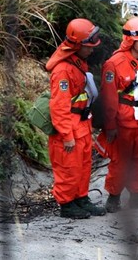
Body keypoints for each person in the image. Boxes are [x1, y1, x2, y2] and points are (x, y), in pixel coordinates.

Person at [97, 17, 138, 213]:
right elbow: (108, 98)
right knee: (120, 160)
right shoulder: (114, 64)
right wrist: (110, 126)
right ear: (130, 41)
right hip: (123, 118)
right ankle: (113, 197)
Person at [45, 18, 107, 219]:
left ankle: (81, 198)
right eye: (88, 46)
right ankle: (67, 204)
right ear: (76, 45)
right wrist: (67, 135)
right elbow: (59, 106)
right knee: (68, 168)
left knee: (83, 165)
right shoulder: (63, 70)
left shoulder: (78, 62)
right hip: (70, 127)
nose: (91, 50)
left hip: (81, 124)